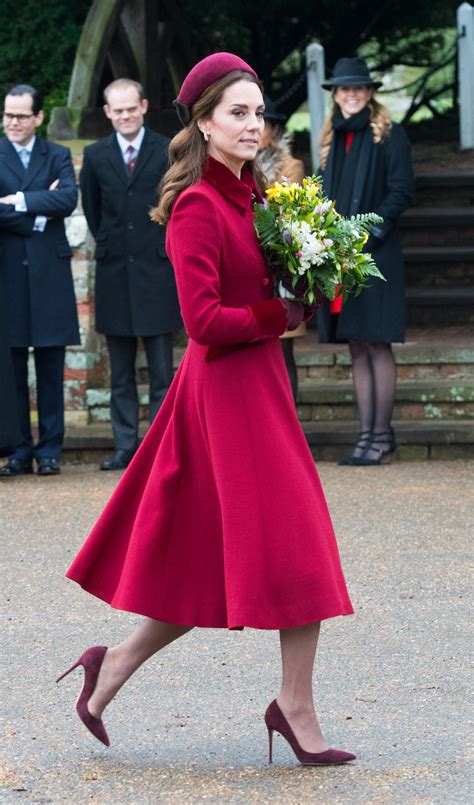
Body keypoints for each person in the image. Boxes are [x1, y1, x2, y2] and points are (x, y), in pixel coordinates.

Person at [58, 53, 356, 767]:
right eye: (238, 113)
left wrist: (313, 281)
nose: (253, 125)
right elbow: (204, 321)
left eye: (258, 113)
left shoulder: (261, 199)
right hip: (223, 396)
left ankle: (114, 667)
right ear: (204, 122)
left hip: (260, 389)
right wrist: (275, 312)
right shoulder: (196, 205)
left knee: (204, 559)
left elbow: (270, 290)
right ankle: (296, 705)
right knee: (298, 542)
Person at [80, 79, 182, 471]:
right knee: (120, 372)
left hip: (156, 271)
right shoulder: (95, 154)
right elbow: (93, 209)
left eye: (130, 108)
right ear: (107, 112)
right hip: (114, 273)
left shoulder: (166, 149)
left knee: (161, 370)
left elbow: (174, 203)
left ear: (143, 106)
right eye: (116, 110)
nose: (124, 116)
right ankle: (124, 445)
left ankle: (157, 447)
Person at [317, 57, 415, 466]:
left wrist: (369, 233)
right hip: (341, 258)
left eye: (358, 88)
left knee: (377, 342)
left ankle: (379, 436)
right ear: (336, 94)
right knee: (356, 344)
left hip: (377, 254)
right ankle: (367, 434)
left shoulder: (389, 136)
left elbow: (401, 191)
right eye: (344, 88)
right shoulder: (331, 140)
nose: (351, 94)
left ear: (369, 92)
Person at [0, 84, 79, 477]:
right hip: (8, 273)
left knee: (51, 365)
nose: (12, 123)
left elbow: (68, 200)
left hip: (50, 272)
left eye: (20, 116)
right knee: (11, 367)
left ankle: (49, 449)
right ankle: (18, 449)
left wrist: (15, 201)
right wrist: (40, 208)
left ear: (38, 117)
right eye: (7, 115)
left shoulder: (58, 154)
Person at [256, 96, 306, 402]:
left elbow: (287, 212)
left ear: (274, 129)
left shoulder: (291, 165)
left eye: (264, 123)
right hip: (249, 265)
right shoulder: (238, 162)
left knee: (283, 346)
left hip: (278, 259)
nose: (257, 128)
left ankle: (291, 418)